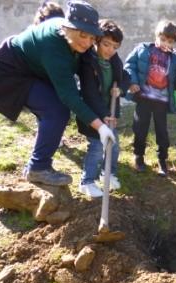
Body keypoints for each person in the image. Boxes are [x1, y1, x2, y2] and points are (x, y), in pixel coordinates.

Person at [0, 0, 115, 186]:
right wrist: (99, 127)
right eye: (82, 36)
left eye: (92, 38)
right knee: (56, 111)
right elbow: (68, 96)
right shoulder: (54, 47)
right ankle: (38, 168)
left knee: (52, 109)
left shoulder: (80, 44)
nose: (87, 42)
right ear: (69, 29)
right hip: (10, 70)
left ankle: (40, 156)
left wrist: (102, 116)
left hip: (36, 69)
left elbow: (87, 86)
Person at [76, 19, 129, 198]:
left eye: (115, 46)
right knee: (97, 146)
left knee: (113, 145)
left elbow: (126, 76)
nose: (110, 50)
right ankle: (87, 181)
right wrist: (104, 115)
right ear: (97, 40)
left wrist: (120, 88)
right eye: (106, 44)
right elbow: (90, 94)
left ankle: (108, 173)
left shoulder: (115, 60)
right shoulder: (87, 62)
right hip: (94, 113)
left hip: (110, 112)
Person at [124, 20, 176, 176]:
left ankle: (162, 159)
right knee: (140, 128)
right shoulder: (143, 49)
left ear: (174, 43)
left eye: (169, 41)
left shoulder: (175, 58)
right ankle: (139, 156)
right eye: (162, 39)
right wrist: (133, 82)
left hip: (161, 101)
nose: (165, 44)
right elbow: (130, 65)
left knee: (162, 131)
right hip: (144, 97)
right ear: (157, 36)